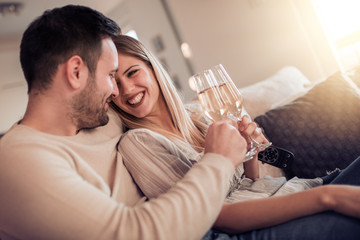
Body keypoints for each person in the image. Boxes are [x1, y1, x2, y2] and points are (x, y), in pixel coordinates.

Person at [0, 5, 249, 240]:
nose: (116, 91)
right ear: (76, 72)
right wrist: (219, 160)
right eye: (110, 76)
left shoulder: (100, 117)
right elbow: (134, 234)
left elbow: (162, 108)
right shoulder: (20, 161)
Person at [111, 35, 360, 239]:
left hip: (290, 194)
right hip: (259, 228)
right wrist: (327, 197)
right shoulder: (138, 142)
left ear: (153, 69)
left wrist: (249, 151)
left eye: (133, 72)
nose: (127, 90)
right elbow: (212, 217)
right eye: (115, 83)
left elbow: (248, 185)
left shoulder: (197, 118)